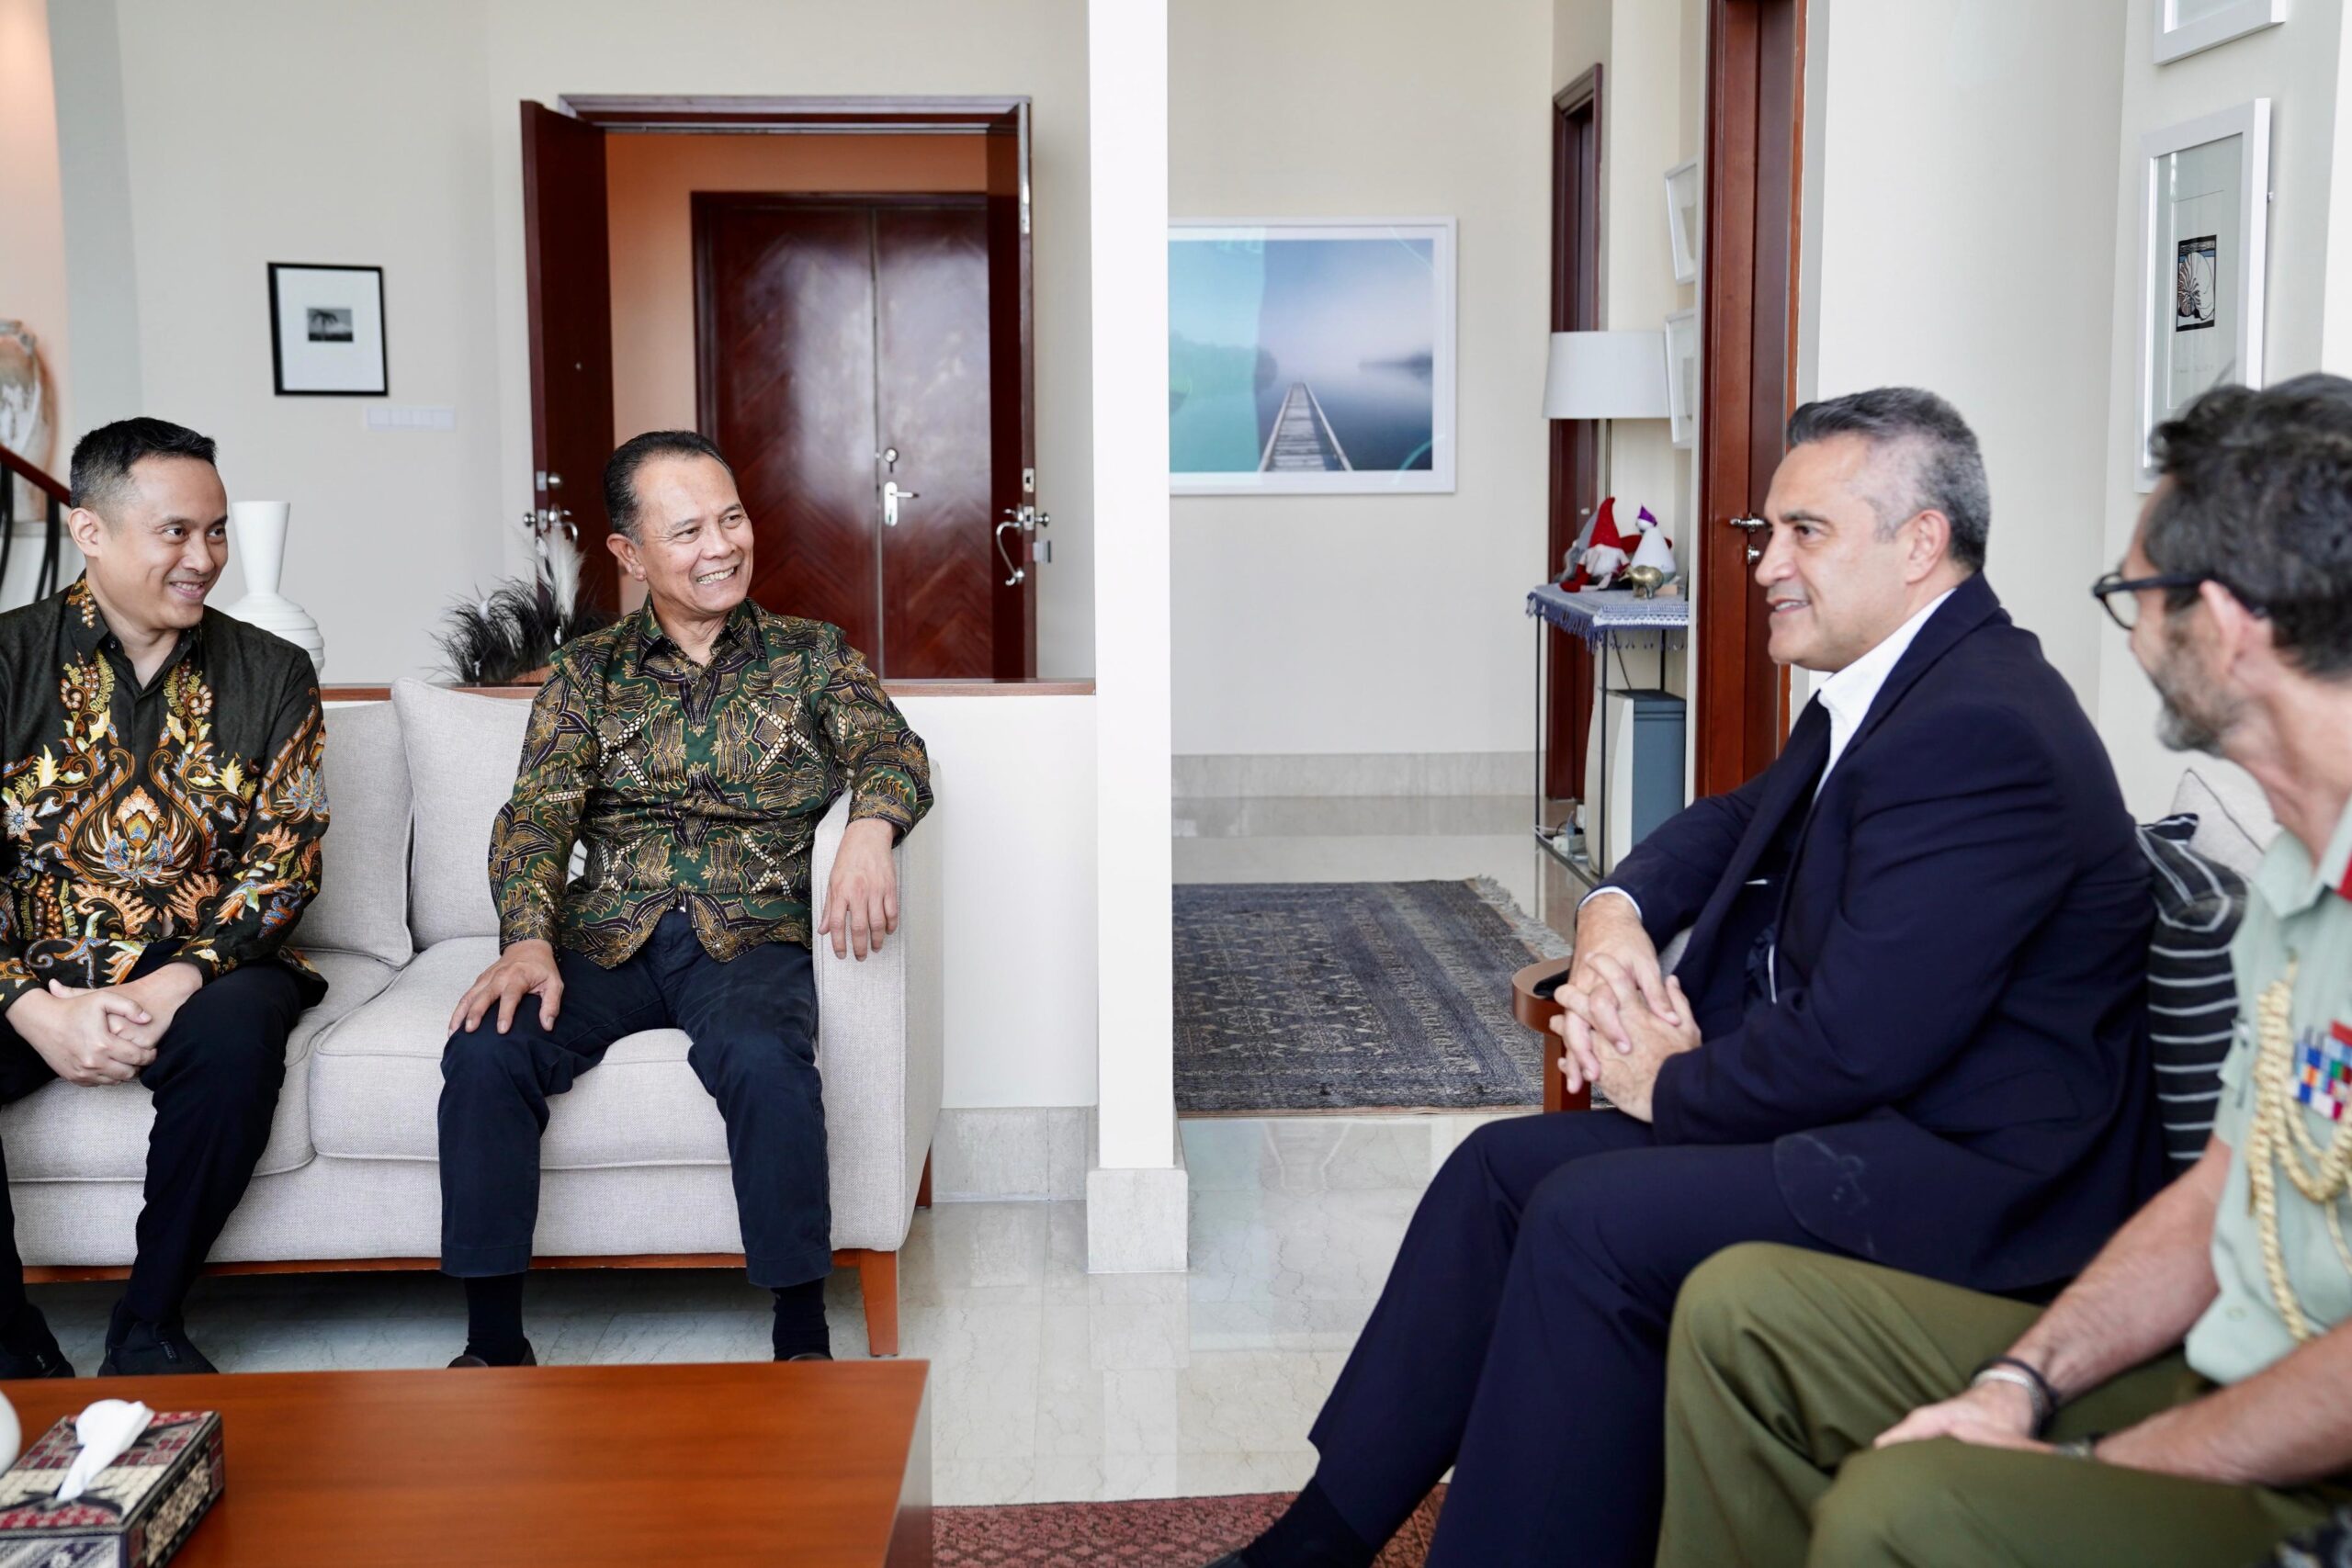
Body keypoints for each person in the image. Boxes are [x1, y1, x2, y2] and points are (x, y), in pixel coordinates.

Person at [1212, 388, 2161, 1568]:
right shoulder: (1897, 689)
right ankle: (1312, 1545)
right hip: (1886, 1123)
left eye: (1804, 532)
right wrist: (1611, 916)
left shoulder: (1979, 729)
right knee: (1496, 1171)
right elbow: (1732, 822)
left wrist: (1659, 1082)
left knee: (1587, 1219)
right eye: (1768, 532)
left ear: (1920, 542)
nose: (1765, 565)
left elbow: (1859, 1045)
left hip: (1975, 1183)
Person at [1657, 373, 2352, 1568]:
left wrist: (2097, 1465)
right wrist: (2020, 1383)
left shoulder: (1986, 717)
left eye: (2135, 596)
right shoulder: (2298, 875)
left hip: (2308, 1451)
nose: (2129, 635)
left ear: (2225, 622)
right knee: (1738, 1310)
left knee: (1904, 1505)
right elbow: (2219, 1191)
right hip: (2222, 1367)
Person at [438, 429, 931, 1368]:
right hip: (607, 935)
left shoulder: (810, 655)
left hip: (750, 934)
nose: (721, 546)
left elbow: (893, 751)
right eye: (689, 531)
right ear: (629, 554)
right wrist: (528, 940)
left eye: (731, 519)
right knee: (486, 1047)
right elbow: (537, 817)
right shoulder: (586, 674)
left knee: (764, 1057)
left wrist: (871, 829)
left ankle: (802, 1340)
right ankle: (493, 1347)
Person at [0, 418, 329, 1376]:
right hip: (32, 957)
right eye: (176, 532)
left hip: (207, 961)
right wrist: (31, 1006)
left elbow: (284, 864)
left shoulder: (272, 672)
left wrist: (175, 980)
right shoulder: (10, 659)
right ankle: (14, 1348)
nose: (205, 558)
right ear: (90, 531)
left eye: (215, 531)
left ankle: (148, 1325)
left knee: (237, 1040)